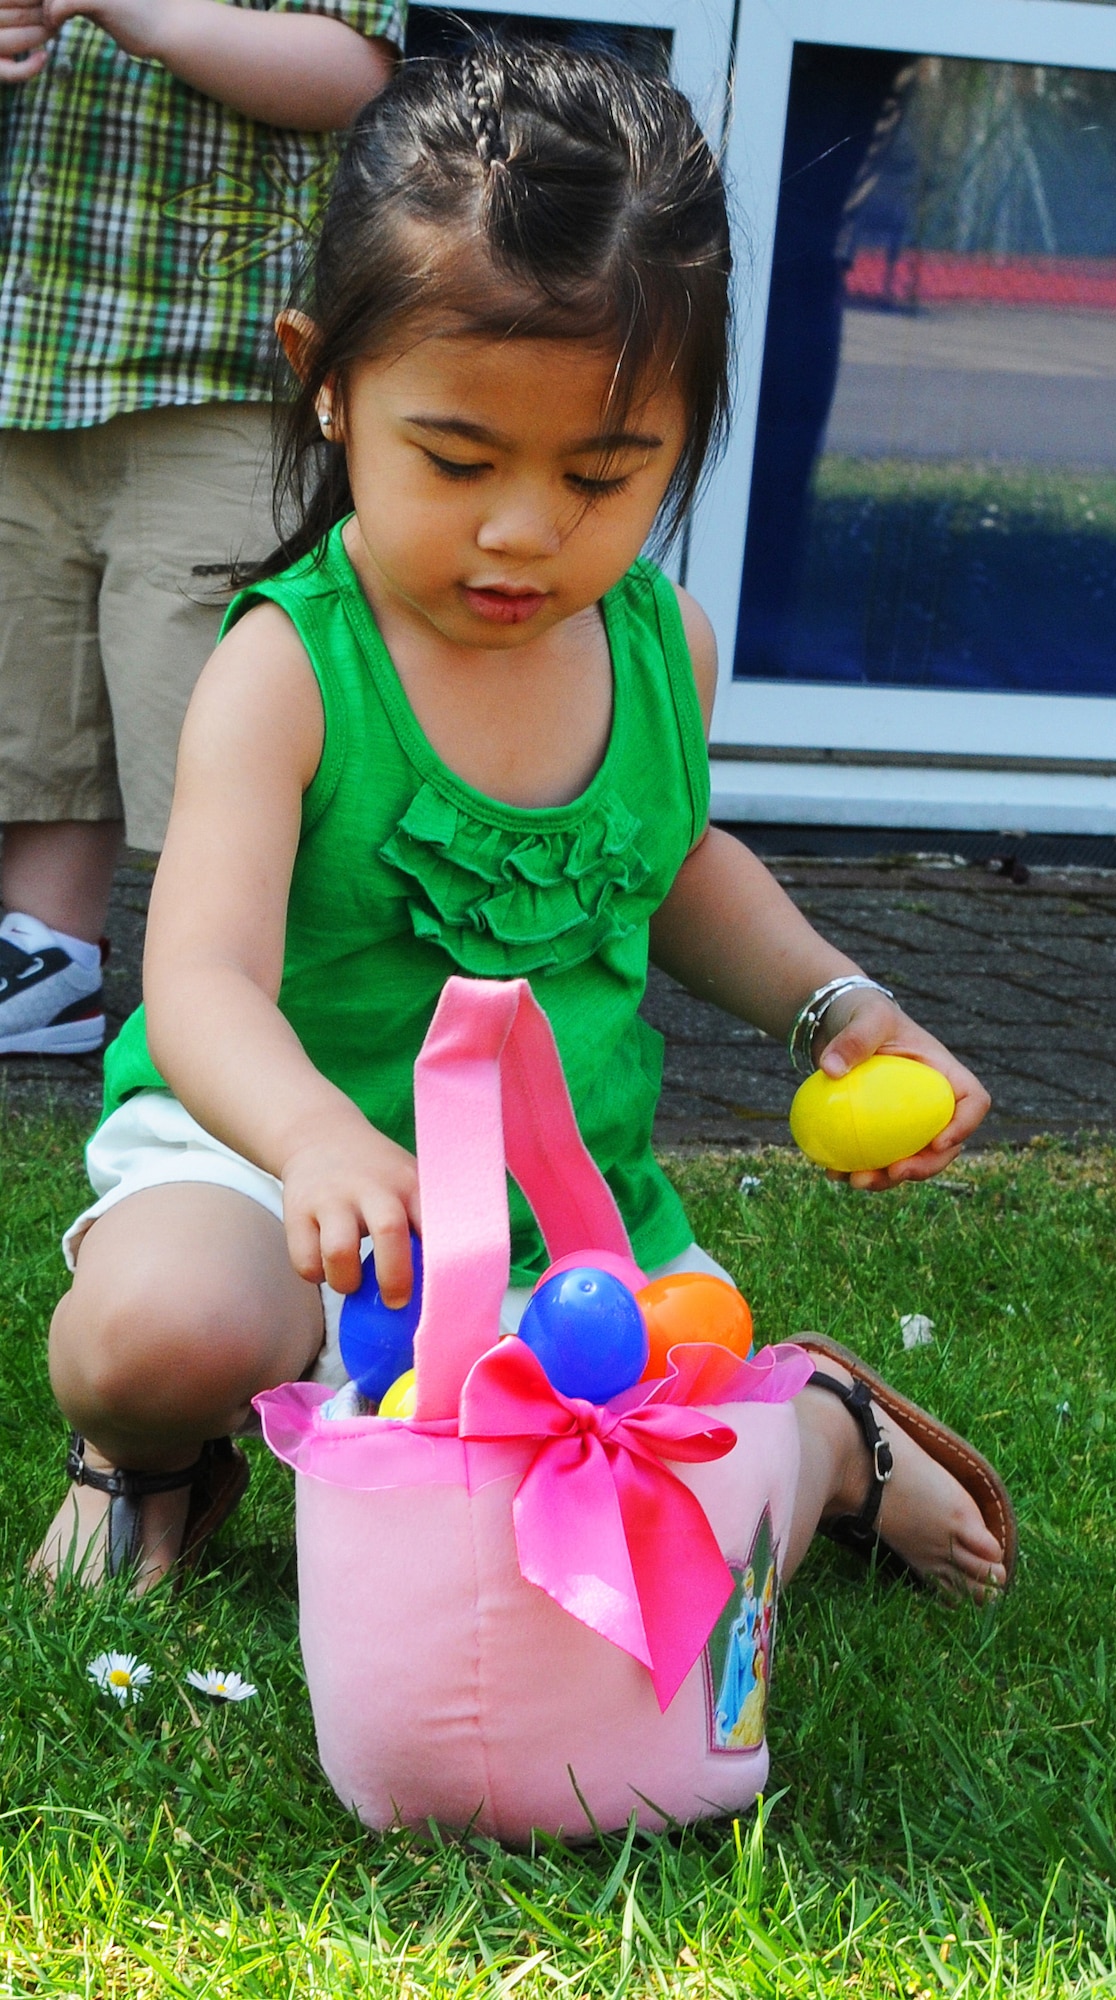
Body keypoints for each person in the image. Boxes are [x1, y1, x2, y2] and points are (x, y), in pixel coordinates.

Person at [33, 43, 1015, 1604]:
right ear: (329, 378)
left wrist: (836, 1003)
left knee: (643, 1544)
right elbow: (204, 974)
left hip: (560, 1224)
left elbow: (676, 860)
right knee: (163, 1334)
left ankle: (828, 1438)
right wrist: (311, 1142)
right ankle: (150, 1462)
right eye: (458, 458)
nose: (523, 529)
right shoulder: (287, 668)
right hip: (273, 1168)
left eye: (604, 473)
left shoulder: (658, 646)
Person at [0, 0, 402, 1056]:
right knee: (43, 686)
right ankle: (49, 955)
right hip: (31, 363)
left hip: (216, 377)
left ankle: (249, 986)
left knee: (204, 694)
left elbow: (353, 69)